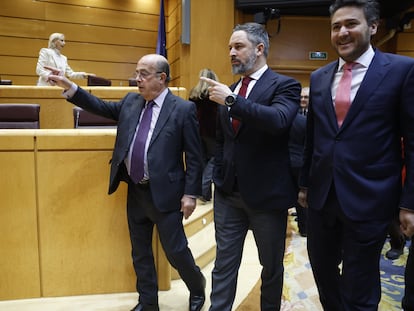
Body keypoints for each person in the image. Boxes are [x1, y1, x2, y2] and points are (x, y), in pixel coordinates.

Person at [46, 54, 206, 311]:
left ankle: (197, 288)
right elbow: (100, 107)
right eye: (137, 73)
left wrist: (190, 194)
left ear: (161, 78)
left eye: (144, 74)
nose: (137, 79)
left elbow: (196, 157)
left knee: (176, 251)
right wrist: (70, 87)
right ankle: (148, 302)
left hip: (167, 194)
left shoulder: (182, 109)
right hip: (136, 192)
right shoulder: (132, 101)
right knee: (140, 252)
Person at [298, 0, 414, 310]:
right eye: (336, 26)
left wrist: (408, 202)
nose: (342, 32)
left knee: (359, 283)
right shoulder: (320, 76)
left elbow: (412, 142)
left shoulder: (401, 71)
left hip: (371, 198)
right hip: (323, 198)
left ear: (373, 27)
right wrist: (305, 184)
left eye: (351, 24)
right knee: (322, 271)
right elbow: (314, 137)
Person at [201, 22, 301, 310]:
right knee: (224, 265)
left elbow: (279, 121)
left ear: (259, 49)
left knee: (270, 267)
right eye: (230, 47)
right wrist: (218, 176)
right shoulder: (229, 90)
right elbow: (222, 141)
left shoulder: (285, 85)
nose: (231, 52)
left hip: (267, 198)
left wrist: (232, 100)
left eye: (238, 46)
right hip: (229, 194)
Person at [189, 68, 219, 202]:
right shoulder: (215, 94)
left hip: (197, 133)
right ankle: (204, 189)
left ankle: (204, 194)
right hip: (213, 133)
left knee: (203, 161)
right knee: (213, 161)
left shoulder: (193, 94)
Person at [288, 87, 308, 237]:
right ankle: (305, 229)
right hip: (300, 162)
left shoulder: (281, 119)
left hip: (287, 163)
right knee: (301, 199)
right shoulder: (304, 121)